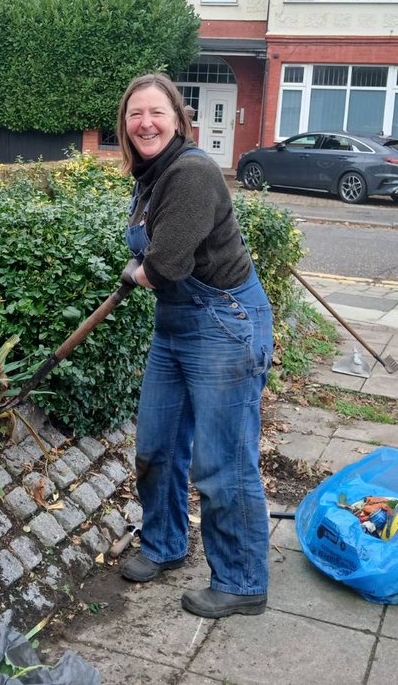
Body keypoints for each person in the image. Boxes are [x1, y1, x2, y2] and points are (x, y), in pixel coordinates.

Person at [115, 72, 274, 619]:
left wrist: (137, 272)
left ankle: (242, 580)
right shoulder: (151, 175)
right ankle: (164, 545)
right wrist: (143, 267)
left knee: (222, 462)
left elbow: (166, 264)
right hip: (177, 325)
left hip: (223, 324)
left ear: (179, 120)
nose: (146, 123)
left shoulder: (191, 173)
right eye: (136, 114)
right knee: (156, 446)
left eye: (157, 112)